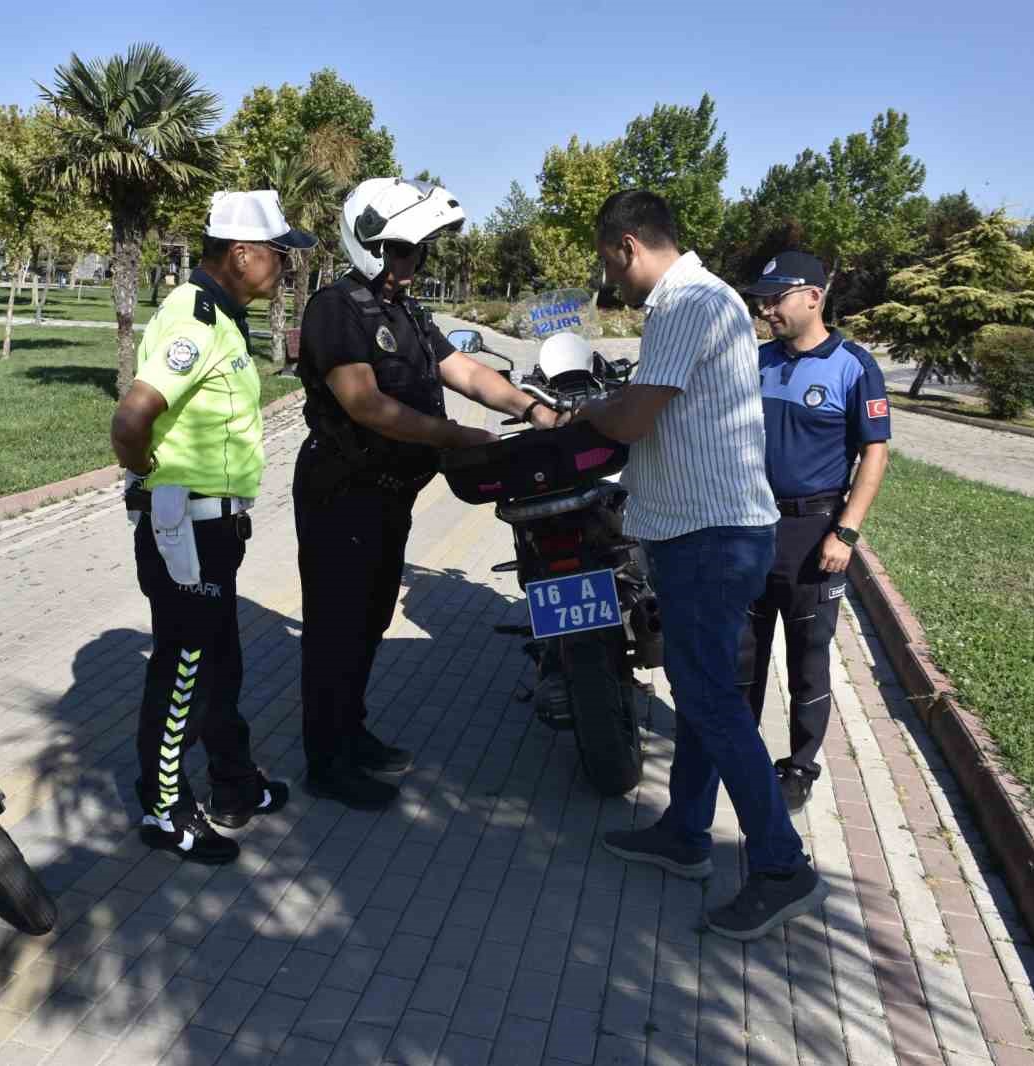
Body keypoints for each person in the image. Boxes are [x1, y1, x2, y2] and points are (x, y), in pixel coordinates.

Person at [570, 190, 826, 940]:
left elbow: (634, 417)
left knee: (711, 700)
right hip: (706, 531)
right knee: (702, 690)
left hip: (709, 538)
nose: (611, 279)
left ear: (627, 246)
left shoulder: (686, 302)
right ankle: (685, 832)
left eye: (609, 263)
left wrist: (582, 412)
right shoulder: (703, 300)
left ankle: (781, 866)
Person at [293, 178, 565, 810]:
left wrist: (532, 407)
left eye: (419, 251)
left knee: (369, 621)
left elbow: (462, 368)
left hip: (388, 496)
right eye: (404, 250)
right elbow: (365, 404)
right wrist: (455, 436)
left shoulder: (404, 310)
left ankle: (351, 732)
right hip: (342, 493)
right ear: (370, 247)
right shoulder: (335, 309)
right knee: (336, 629)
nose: (415, 263)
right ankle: (326, 762)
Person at [109, 190, 316, 864]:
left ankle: (234, 782)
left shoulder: (223, 316)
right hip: (187, 532)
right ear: (243, 253)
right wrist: (150, 482)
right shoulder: (194, 319)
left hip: (213, 531)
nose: (285, 266)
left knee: (221, 665)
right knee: (185, 673)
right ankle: (163, 809)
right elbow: (131, 419)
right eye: (280, 254)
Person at [738, 251, 890, 811]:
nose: (766, 309)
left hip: (812, 532)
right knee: (743, 652)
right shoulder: (756, 361)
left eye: (775, 298)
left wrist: (845, 532)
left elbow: (875, 453)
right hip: (750, 525)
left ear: (813, 297)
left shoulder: (854, 366)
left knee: (807, 657)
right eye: (762, 299)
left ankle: (800, 766)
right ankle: (741, 751)